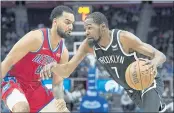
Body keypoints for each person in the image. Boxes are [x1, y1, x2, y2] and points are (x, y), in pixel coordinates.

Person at [40, 12, 167, 112]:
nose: (86, 32)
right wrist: (53, 67)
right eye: (85, 29)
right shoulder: (88, 45)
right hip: (132, 89)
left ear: (103, 27)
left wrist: (154, 63)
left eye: (89, 28)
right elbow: (67, 71)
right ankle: (159, 106)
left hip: (148, 81)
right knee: (153, 108)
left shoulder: (123, 38)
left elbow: (159, 55)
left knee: (151, 109)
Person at [1, 5, 74, 112]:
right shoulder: (36, 38)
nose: (71, 27)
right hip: (12, 81)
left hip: (35, 86)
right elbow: (8, 62)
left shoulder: (64, 53)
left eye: (72, 23)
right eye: (67, 22)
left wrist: (60, 100)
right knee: (22, 109)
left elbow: (57, 84)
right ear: (55, 22)